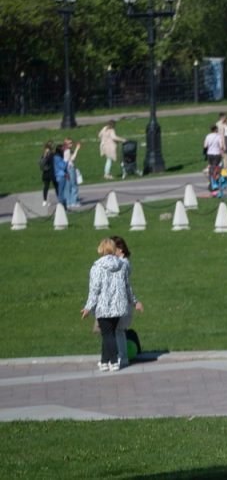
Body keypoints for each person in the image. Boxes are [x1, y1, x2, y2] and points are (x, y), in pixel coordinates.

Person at [80, 238, 128, 372]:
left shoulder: (97, 267)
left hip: (104, 306)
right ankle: (104, 361)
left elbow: (94, 289)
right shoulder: (122, 265)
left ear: (101, 249)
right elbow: (127, 285)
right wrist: (133, 300)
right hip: (119, 305)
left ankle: (114, 361)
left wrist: (88, 307)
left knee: (107, 334)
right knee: (109, 333)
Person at [110, 236, 144, 369]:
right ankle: (119, 356)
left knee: (119, 330)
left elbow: (126, 286)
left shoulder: (123, 264)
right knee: (118, 331)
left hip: (121, 303)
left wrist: (135, 302)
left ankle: (122, 357)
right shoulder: (122, 263)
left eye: (113, 249)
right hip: (119, 302)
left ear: (120, 249)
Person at [62, 139, 82, 207]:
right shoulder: (67, 151)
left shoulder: (64, 150)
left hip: (65, 169)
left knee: (68, 186)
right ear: (66, 144)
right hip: (70, 168)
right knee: (74, 185)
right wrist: (77, 149)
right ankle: (73, 202)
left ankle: (68, 202)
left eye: (71, 142)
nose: (71, 144)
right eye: (70, 143)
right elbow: (72, 158)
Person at [40, 140, 58, 208]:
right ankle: (59, 199)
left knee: (46, 187)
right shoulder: (51, 154)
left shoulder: (45, 153)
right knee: (56, 186)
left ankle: (44, 201)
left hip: (46, 173)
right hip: (51, 172)